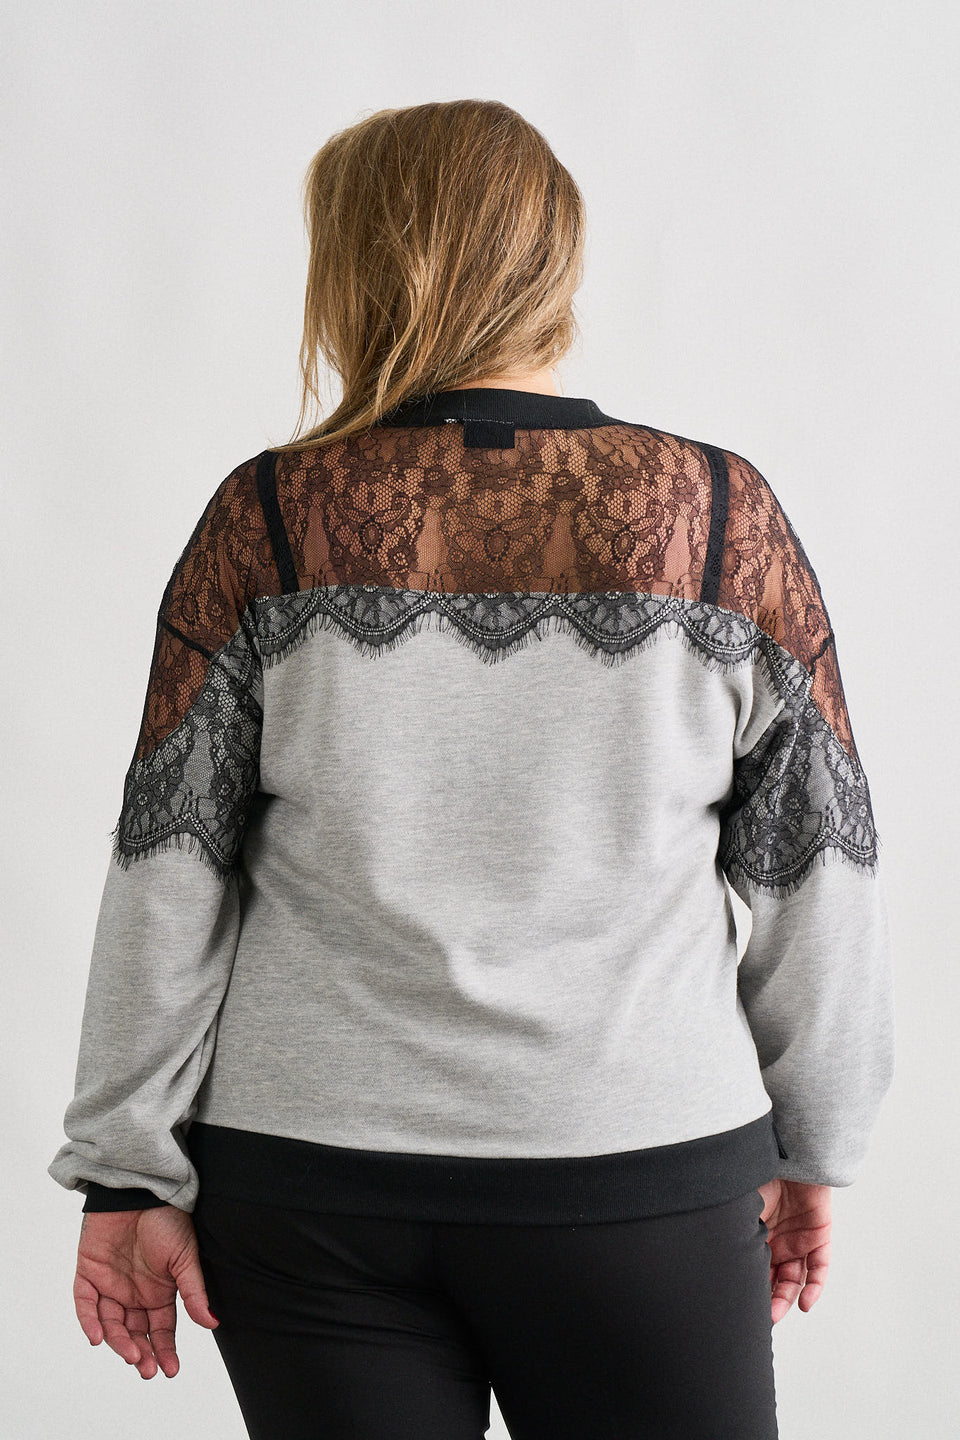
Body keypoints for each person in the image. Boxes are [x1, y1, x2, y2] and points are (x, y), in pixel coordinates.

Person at [49, 98, 895, 1440]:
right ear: (553, 256)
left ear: (358, 268)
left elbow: (169, 862)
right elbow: (817, 859)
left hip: (309, 1189)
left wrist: (124, 1174)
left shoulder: (270, 516)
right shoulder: (715, 517)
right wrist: (819, 1136)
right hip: (640, 1171)